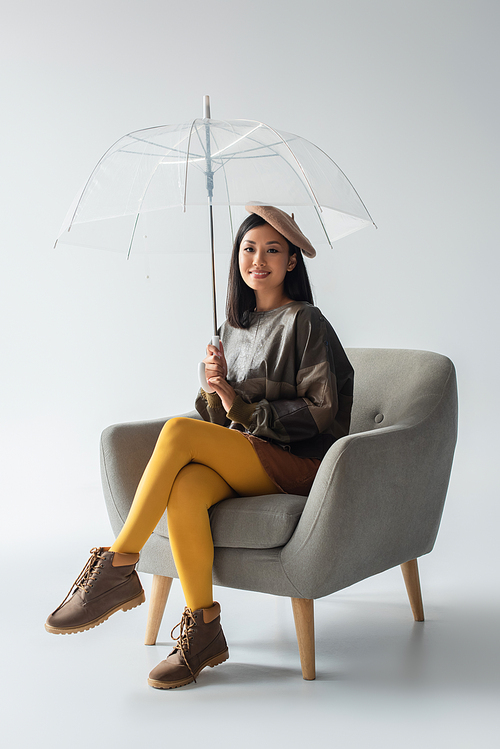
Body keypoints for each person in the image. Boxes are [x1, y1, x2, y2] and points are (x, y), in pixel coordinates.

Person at [45, 205, 354, 690]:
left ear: (292, 261)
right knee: (186, 486)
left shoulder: (306, 321)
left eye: (273, 250)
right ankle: (204, 628)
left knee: (176, 431)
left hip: (303, 463)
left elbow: (320, 409)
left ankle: (120, 564)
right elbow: (214, 423)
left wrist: (240, 406)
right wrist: (212, 385)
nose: (259, 259)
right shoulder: (232, 328)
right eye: (248, 249)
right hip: (249, 456)